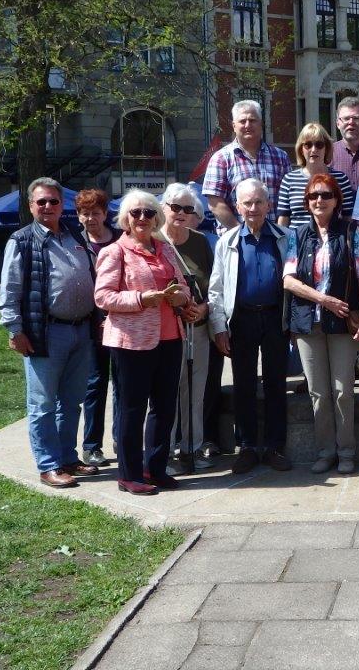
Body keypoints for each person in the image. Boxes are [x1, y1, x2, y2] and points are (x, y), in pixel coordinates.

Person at [0, 178, 99, 489]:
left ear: (62, 205)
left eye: (53, 201)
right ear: (30, 206)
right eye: (40, 201)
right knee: (42, 405)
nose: (47, 206)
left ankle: (67, 458)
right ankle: (48, 465)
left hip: (81, 330)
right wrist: (15, 330)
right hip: (45, 333)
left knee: (71, 401)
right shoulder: (21, 240)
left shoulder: (74, 235)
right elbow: (10, 290)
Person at [95, 189, 190, 496]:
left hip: (170, 337)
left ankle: (155, 468)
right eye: (135, 213)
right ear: (125, 218)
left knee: (164, 407)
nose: (142, 218)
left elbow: (184, 286)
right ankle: (129, 474)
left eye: (149, 213)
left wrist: (180, 296)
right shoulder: (115, 252)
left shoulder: (166, 249)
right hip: (131, 342)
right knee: (132, 409)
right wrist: (140, 299)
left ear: (157, 218)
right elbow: (103, 296)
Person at [283, 174, 359, 475]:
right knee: (318, 392)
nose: (319, 201)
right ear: (306, 202)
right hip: (307, 323)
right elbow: (288, 281)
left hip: (342, 322)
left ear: (337, 200)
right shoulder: (298, 234)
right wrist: (324, 300)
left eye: (325, 195)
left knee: (342, 390)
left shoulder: (350, 231)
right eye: (313, 196)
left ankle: (346, 451)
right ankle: (326, 451)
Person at [208, 179, 293, 474]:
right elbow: (216, 288)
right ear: (238, 207)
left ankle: (274, 447)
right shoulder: (227, 241)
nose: (253, 208)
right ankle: (246, 447)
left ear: (269, 205)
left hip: (275, 318)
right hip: (241, 319)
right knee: (243, 384)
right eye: (247, 203)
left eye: (258, 202)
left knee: (275, 383)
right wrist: (219, 327)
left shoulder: (286, 237)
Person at [158, 183, 214, 473]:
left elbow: (214, 285)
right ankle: (164, 451)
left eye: (188, 209)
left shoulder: (200, 242)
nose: (181, 213)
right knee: (167, 391)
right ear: (164, 208)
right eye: (175, 207)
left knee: (195, 392)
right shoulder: (154, 240)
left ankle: (192, 449)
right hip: (167, 330)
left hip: (198, 329)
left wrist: (204, 309)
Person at [75, 188, 121, 467]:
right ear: (78, 215)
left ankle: (121, 438)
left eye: (95, 213)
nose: (90, 218)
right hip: (90, 324)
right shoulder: (74, 242)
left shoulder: (121, 239)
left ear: (105, 214)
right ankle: (92, 446)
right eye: (85, 213)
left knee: (122, 383)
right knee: (95, 383)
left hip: (121, 320)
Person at [202, 99, 290, 229]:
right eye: (242, 121)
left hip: (275, 237)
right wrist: (241, 233)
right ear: (234, 126)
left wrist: (279, 233)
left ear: (261, 124)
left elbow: (287, 200)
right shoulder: (220, 159)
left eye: (252, 120)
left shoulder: (280, 157)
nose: (248, 125)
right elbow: (215, 203)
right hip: (235, 237)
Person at [276, 123, 355, 227]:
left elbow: (348, 217)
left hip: (331, 236)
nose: (313, 150)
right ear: (301, 149)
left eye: (319, 145)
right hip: (296, 236)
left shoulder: (340, 179)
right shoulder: (289, 180)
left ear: (326, 148)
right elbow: (283, 219)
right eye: (308, 145)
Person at [329, 96, 359, 190]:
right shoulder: (328, 153)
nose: (351, 122)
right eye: (346, 118)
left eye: (356, 118)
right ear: (338, 123)